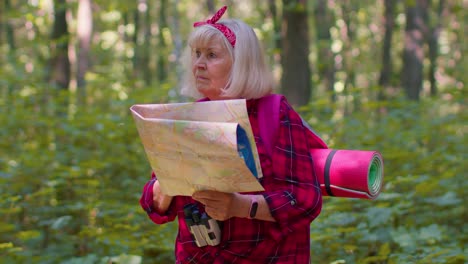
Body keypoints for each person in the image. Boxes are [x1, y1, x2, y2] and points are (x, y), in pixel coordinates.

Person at [139, 6, 322, 264]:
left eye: (211, 55)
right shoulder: (187, 118)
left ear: (240, 63)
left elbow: (305, 200)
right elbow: (152, 205)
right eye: (196, 54)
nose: (199, 64)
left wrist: (242, 207)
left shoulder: (274, 113)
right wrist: (169, 179)